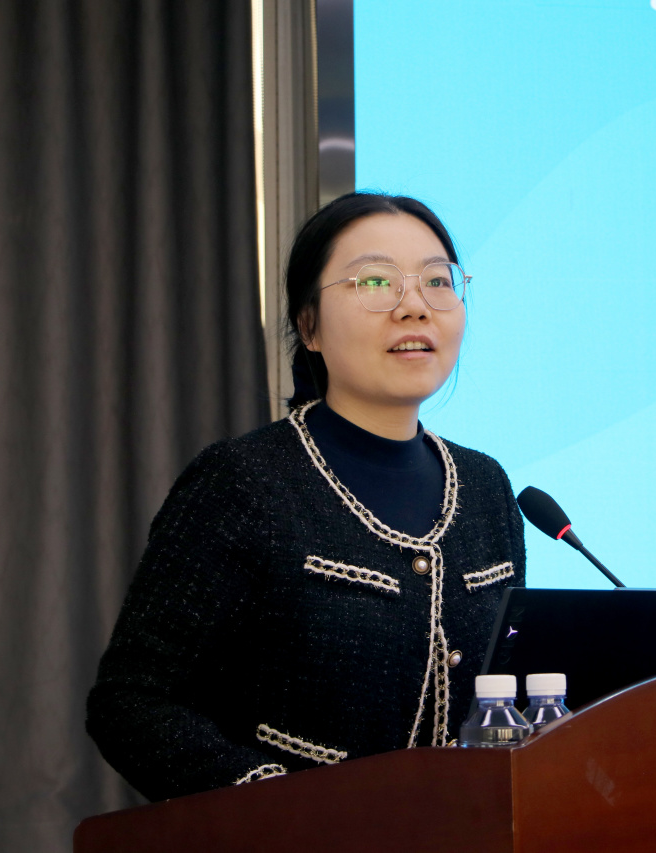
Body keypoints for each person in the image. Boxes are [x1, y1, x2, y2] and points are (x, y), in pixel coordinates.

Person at [86, 192, 526, 801]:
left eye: (437, 281)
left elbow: (504, 698)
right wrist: (279, 810)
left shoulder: (485, 488)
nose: (414, 307)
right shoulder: (243, 481)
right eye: (376, 282)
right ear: (308, 326)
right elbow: (131, 702)